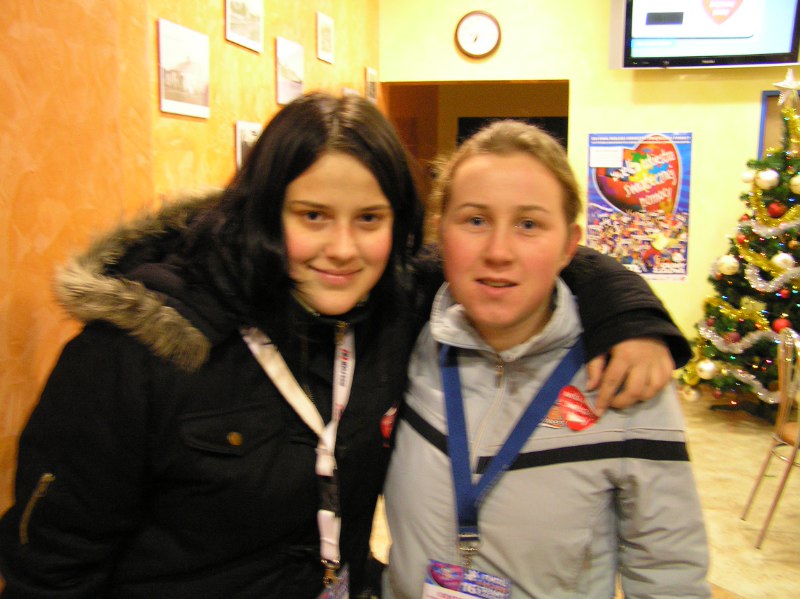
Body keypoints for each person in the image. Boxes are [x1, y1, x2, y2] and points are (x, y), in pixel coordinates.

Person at [0, 94, 688, 599]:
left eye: (369, 219)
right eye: (312, 215)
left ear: (401, 228)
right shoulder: (139, 346)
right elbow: (52, 564)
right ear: (265, 211)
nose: (341, 249)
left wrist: (626, 311)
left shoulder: (393, 309)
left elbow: (517, 260)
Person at [383, 120, 710, 598]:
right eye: (475, 221)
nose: (498, 251)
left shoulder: (624, 376)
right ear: (441, 232)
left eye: (529, 225)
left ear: (568, 246)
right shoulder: (407, 341)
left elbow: (668, 570)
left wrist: (634, 314)